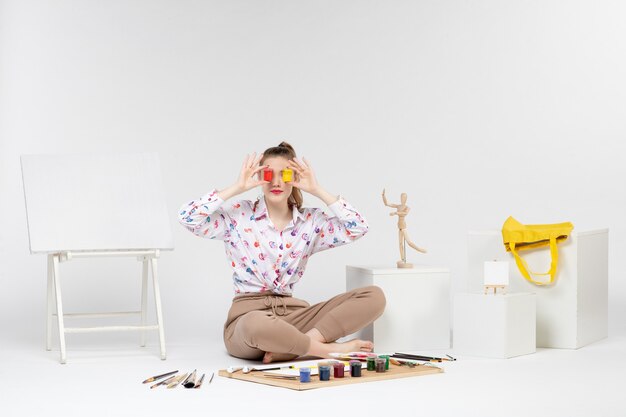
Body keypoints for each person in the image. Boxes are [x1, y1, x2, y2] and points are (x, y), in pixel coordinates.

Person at [178, 142, 385, 363]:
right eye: (268, 174)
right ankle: (324, 350)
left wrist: (317, 190)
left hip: (293, 317)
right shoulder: (238, 216)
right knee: (255, 324)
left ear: (294, 179)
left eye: (285, 174)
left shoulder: (310, 222)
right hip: (248, 321)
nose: (276, 182)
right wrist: (237, 187)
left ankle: (299, 345)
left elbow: (358, 227)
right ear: (259, 177)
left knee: (374, 296)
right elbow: (187, 217)